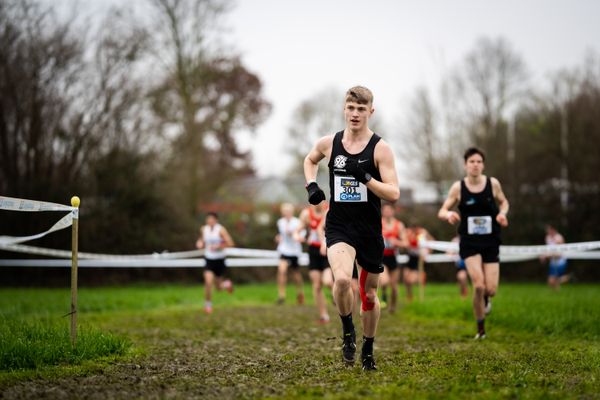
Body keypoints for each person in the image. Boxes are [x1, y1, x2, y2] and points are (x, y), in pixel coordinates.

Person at [303, 86, 400, 370]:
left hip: (369, 231)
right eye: (350, 107)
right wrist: (312, 186)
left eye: (361, 108)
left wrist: (366, 177)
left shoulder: (381, 148)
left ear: (371, 111)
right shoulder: (329, 143)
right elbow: (310, 160)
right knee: (343, 280)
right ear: (344, 109)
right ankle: (348, 331)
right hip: (339, 226)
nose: (355, 113)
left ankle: (368, 348)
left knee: (369, 295)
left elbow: (393, 193)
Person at [438, 147, 509, 340]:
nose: (475, 165)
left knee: (490, 289)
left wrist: (502, 214)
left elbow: (504, 202)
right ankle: (481, 329)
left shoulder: (493, 184)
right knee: (478, 285)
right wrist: (449, 214)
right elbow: (442, 210)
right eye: (472, 162)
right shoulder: (458, 187)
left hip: (491, 241)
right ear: (465, 165)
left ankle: (486, 299)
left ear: (483, 164)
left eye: (479, 161)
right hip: (469, 242)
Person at [297, 202, 334, 323]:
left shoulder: (330, 210)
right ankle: (323, 314)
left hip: (327, 250)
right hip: (313, 251)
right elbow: (298, 229)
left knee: (328, 281)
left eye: (320, 200)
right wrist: (297, 235)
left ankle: (336, 296)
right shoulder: (306, 213)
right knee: (317, 285)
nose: (317, 203)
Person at [195, 212, 235, 314]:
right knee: (208, 282)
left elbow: (230, 243)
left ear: (216, 220)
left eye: (211, 219)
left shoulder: (220, 230)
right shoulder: (204, 229)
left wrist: (219, 246)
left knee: (218, 288)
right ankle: (208, 305)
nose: (209, 221)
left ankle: (226, 284)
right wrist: (200, 243)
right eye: (208, 219)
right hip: (209, 259)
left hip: (219, 260)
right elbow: (202, 240)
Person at [379, 202, 407, 313]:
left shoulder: (399, 225)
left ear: (393, 211)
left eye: (389, 210)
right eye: (385, 210)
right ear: (382, 212)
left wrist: (396, 242)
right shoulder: (378, 223)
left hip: (393, 258)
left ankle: (392, 308)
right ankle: (384, 295)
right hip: (381, 257)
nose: (387, 212)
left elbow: (406, 243)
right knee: (385, 281)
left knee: (395, 288)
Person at [276, 203, 305, 305]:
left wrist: (296, 236)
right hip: (283, 250)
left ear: (292, 212)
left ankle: (300, 293)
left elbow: (302, 236)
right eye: (284, 211)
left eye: (288, 211)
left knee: (296, 274)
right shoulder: (280, 222)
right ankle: (281, 295)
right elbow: (281, 234)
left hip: (294, 251)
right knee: (281, 270)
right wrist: (278, 237)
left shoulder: (297, 222)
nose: (286, 213)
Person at [404, 223, 432, 302]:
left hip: (419, 258)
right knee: (406, 279)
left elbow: (431, 241)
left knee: (411, 280)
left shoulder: (423, 233)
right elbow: (405, 243)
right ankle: (409, 296)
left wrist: (428, 252)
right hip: (411, 257)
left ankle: (421, 277)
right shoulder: (408, 233)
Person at [543, 225, 569, 290]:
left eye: (549, 229)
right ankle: (556, 294)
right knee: (551, 282)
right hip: (553, 261)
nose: (547, 231)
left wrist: (547, 255)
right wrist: (545, 255)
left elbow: (559, 253)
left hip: (560, 262)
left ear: (553, 230)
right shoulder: (547, 237)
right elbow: (548, 250)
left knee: (553, 280)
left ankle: (568, 277)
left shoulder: (559, 238)